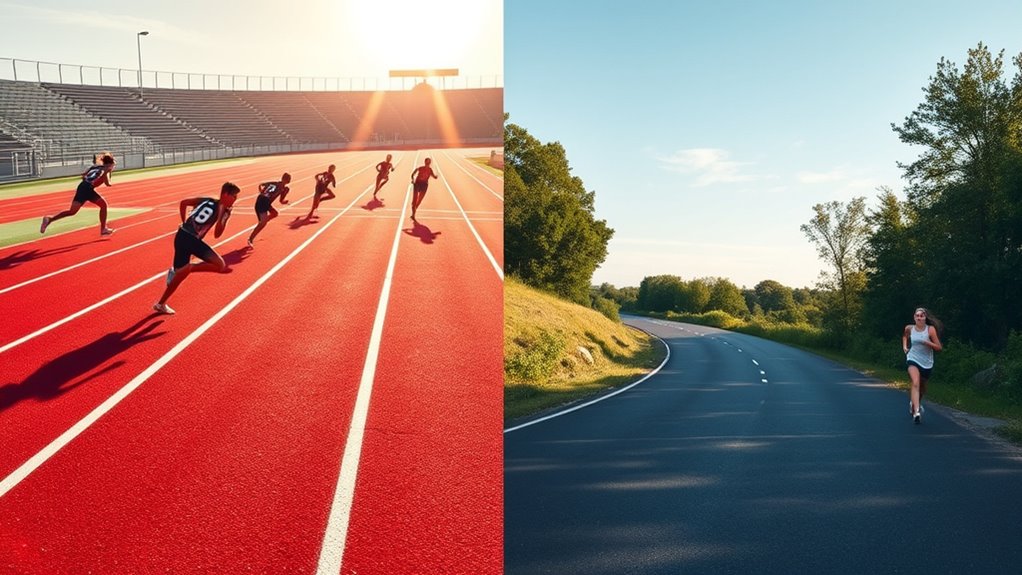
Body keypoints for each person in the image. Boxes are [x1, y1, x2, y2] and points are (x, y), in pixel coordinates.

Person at [153, 182, 240, 315]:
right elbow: (217, 234)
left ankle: (160, 303)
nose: (236, 199)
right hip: (191, 239)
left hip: (181, 235)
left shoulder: (207, 200)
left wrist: (183, 221)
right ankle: (189, 268)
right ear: (225, 194)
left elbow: (183, 203)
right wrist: (223, 216)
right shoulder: (221, 210)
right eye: (234, 196)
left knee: (179, 276)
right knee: (220, 265)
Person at [41, 152, 116, 236]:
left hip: (82, 187)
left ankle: (49, 219)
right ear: (111, 164)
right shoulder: (106, 170)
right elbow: (108, 184)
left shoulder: (95, 167)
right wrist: (107, 173)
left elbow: (84, 175)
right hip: (88, 189)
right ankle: (103, 229)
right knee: (103, 205)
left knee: (72, 211)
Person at [903, 307, 944, 424]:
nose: (919, 318)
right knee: (915, 382)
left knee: (922, 386)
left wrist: (927, 343)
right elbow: (904, 336)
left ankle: (915, 403)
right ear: (914, 317)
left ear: (925, 318)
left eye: (922, 316)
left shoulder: (930, 330)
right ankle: (916, 411)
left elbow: (939, 348)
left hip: (926, 362)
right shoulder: (909, 328)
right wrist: (905, 347)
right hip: (913, 358)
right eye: (917, 315)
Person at [247, 172, 291, 247]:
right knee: (263, 223)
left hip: (265, 202)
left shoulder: (280, 186)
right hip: (262, 201)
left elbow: (261, 185)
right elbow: (261, 185)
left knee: (275, 213)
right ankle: (250, 239)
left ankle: (263, 221)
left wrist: (284, 201)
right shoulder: (280, 186)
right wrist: (262, 192)